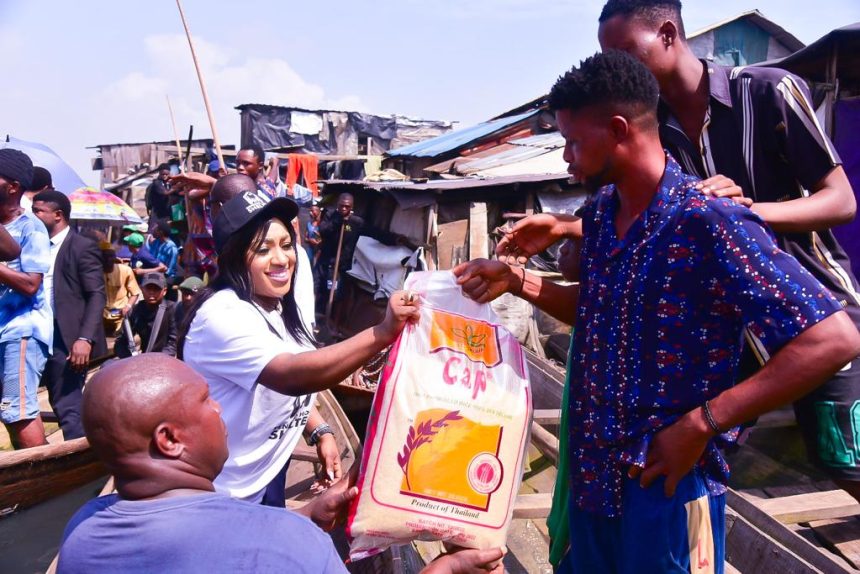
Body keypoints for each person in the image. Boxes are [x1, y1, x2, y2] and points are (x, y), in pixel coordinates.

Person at [454, 51, 860, 574]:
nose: (566, 159)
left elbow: (833, 340)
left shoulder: (709, 219)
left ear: (620, 129)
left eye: (574, 142)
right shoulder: (601, 215)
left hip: (674, 487)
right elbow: (602, 312)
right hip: (595, 480)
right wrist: (517, 280)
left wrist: (704, 422)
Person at [596, 0, 860, 502]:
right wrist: (570, 232)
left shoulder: (767, 91)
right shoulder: (652, 128)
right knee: (689, 455)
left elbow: (841, 200)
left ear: (669, 33)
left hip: (820, 313)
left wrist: (747, 212)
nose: (619, 70)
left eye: (627, 52)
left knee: (847, 460)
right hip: (729, 330)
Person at [56, 354, 505, 574]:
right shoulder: (287, 547)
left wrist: (306, 516)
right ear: (170, 440)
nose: (219, 410)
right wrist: (442, 570)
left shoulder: (83, 530)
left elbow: (217, 547)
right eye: (206, 400)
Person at [179, 191, 420, 507]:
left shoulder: (275, 306)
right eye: (263, 250)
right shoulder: (221, 314)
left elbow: (296, 369)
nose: (281, 259)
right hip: (224, 495)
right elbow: (292, 375)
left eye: (286, 245)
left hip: (266, 474)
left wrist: (320, 430)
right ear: (235, 258)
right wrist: (382, 333)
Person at [31, 190, 107, 439]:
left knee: (67, 402)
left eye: (38, 211)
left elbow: (96, 295)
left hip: (67, 337)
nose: (33, 216)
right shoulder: (34, 246)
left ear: (58, 215)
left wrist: (84, 339)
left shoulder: (81, 247)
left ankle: (81, 464)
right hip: (37, 332)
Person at [0, 149, 52, 449]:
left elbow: (32, 284)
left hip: (21, 330)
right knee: (8, 410)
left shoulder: (31, 228)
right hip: (3, 328)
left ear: (13, 186)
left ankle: (46, 481)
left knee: (18, 411)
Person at [115, 272, 176, 358]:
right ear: (142, 289)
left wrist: (157, 360)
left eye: (156, 289)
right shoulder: (135, 311)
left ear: (164, 291)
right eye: (148, 288)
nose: (151, 292)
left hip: (165, 360)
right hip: (143, 359)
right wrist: (130, 358)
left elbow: (173, 343)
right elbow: (121, 341)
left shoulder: (172, 309)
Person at [100, 245, 141, 337]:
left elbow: (135, 293)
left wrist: (128, 306)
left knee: (122, 338)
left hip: (121, 313)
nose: (107, 261)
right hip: (101, 314)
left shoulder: (126, 270)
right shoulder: (95, 272)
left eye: (110, 258)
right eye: (104, 259)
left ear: (114, 259)